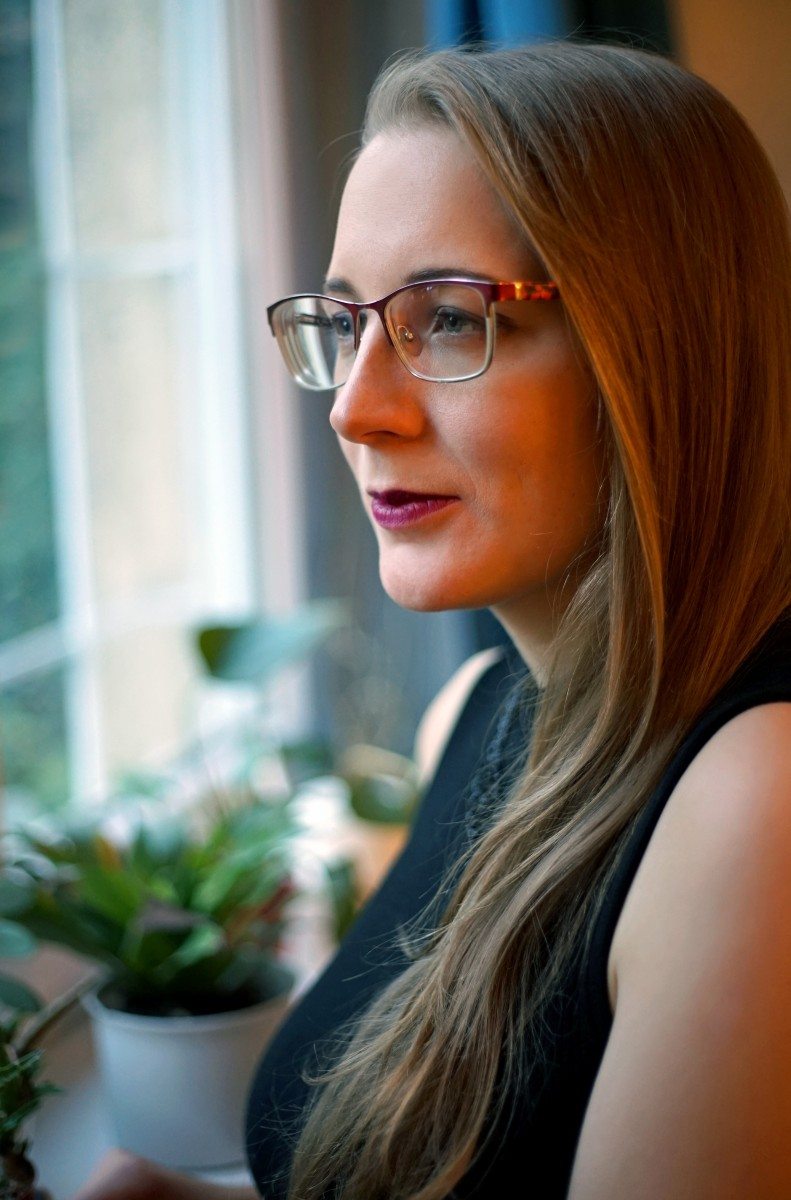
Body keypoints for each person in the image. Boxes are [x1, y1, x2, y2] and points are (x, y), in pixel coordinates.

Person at [74, 40, 791, 1200]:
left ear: (659, 352)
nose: (356, 409)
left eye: (449, 319)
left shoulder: (756, 801)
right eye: (347, 323)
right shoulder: (477, 710)